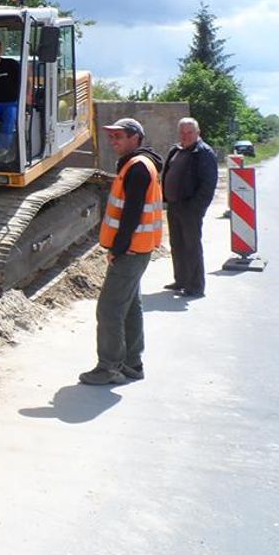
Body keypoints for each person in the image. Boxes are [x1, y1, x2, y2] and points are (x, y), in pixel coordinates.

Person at [80, 117, 164, 386]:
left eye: (119, 136)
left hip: (130, 250)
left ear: (135, 138)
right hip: (138, 248)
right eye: (112, 137)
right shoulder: (140, 164)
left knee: (109, 309)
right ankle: (132, 363)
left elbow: (132, 213)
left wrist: (119, 247)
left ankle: (109, 367)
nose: (113, 141)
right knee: (130, 307)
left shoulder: (137, 168)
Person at [160, 116, 218, 298]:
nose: (185, 136)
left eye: (189, 132)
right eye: (182, 132)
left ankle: (196, 286)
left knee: (191, 246)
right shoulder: (176, 150)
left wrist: (195, 208)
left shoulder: (204, 153)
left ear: (198, 133)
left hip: (190, 208)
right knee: (176, 244)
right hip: (174, 205)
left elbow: (208, 185)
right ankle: (181, 280)